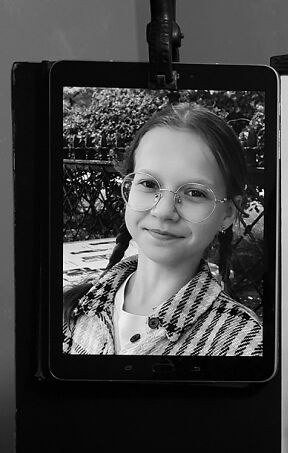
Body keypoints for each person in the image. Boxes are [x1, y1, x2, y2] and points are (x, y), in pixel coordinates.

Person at [63, 103, 262, 356]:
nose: (163, 210)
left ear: (228, 214)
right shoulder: (70, 311)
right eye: (148, 183)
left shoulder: (244, 345)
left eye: (194, 193)